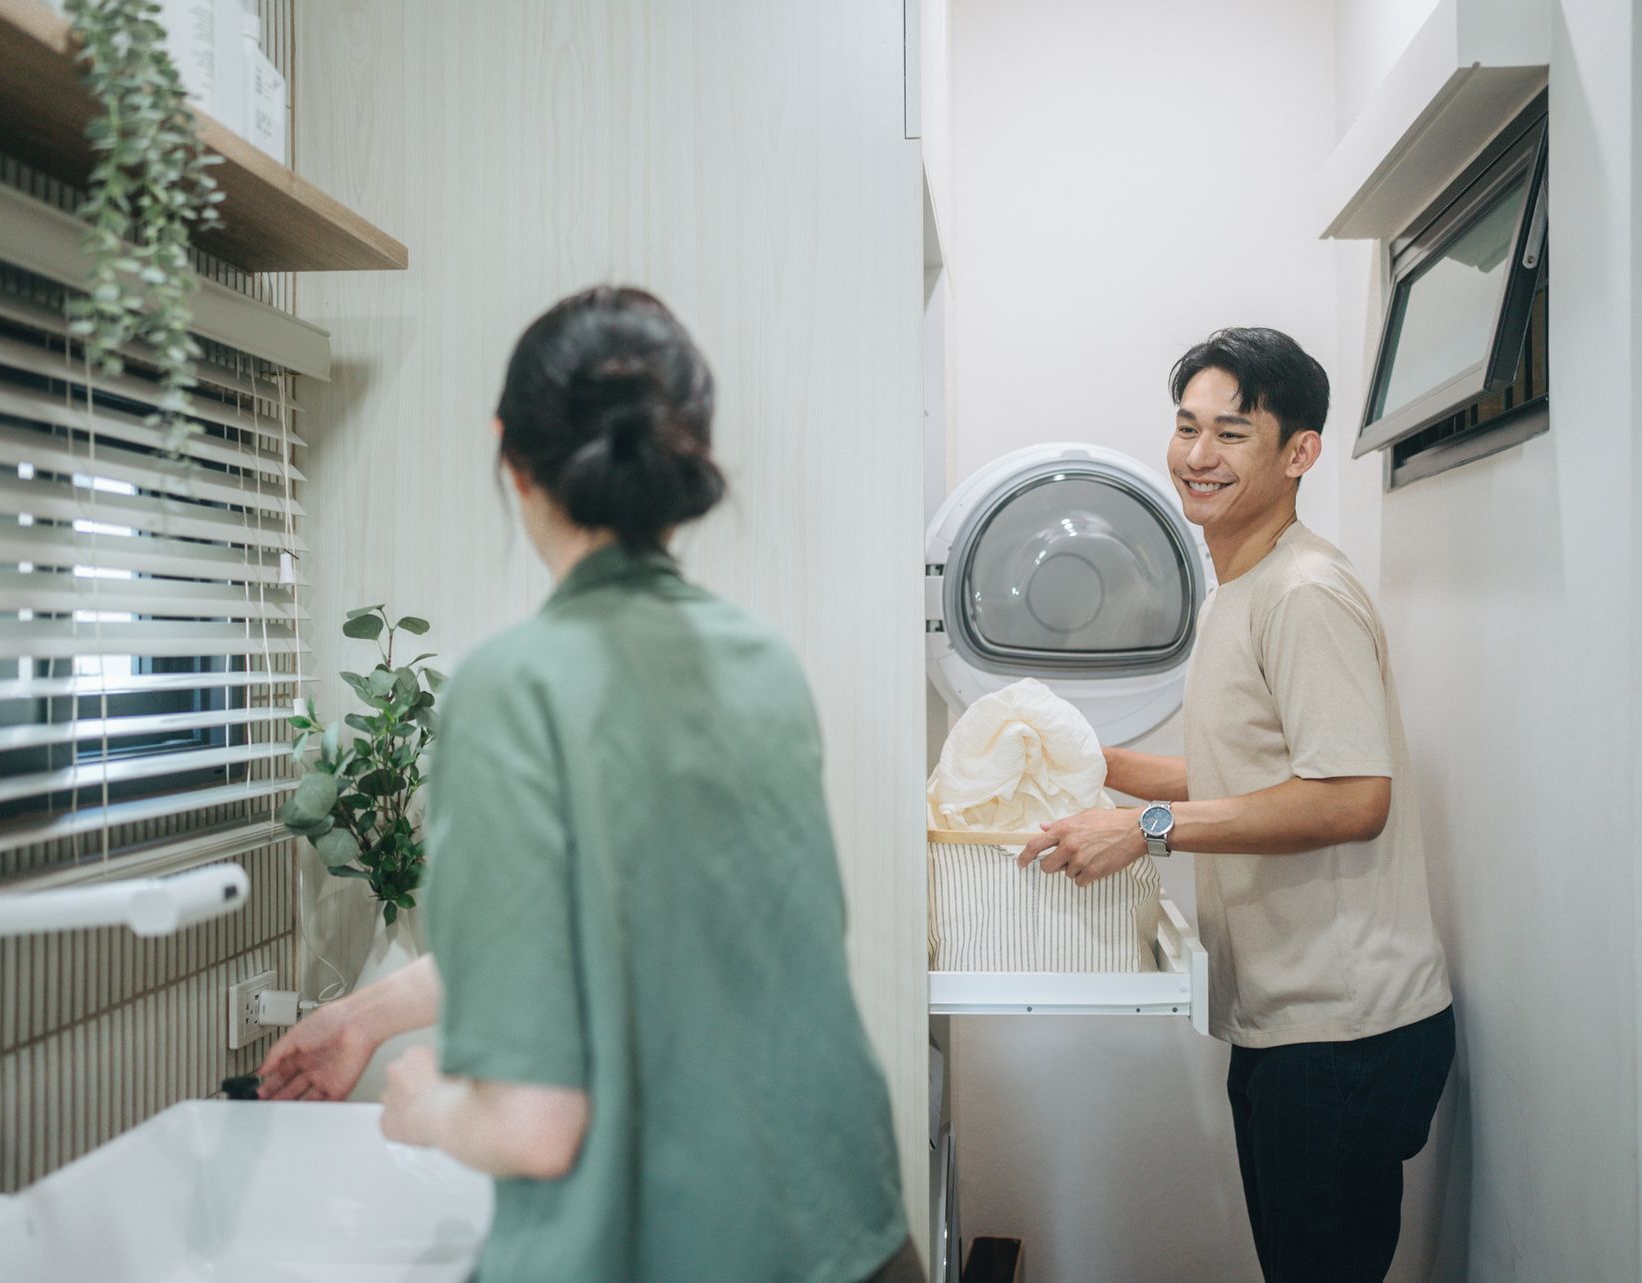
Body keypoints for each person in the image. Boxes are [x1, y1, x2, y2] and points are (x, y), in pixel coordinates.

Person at [260, 286, 920, 1283]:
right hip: (854, 1234)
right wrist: (365, 1016)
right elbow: (630, 923)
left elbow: (532, 1126)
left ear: (508, 454)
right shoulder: (760, 660)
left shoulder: (511, 685)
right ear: (684, 445)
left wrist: (426, 1105)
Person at [1018, 328, 1454, 1282]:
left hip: (1347, 1031)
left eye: (1232, 433)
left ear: (1299, 452)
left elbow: (1349, 798)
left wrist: (1146, 830)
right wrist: (1094, 763)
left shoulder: (1304, 592)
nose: (1197, 457)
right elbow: (1251, 772)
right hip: (1288, 1018)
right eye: (1185, 428)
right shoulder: (1237, 588)